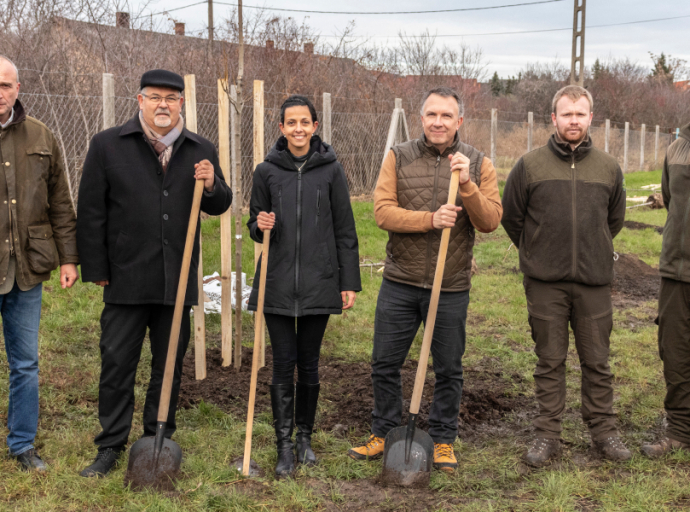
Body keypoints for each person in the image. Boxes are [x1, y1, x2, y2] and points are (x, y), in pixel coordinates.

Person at [76, 69, 232, 477]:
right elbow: (91, 211)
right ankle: (110, 445)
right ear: (140, 100)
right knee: (116, 363)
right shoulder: (108, 145)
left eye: (171, 97)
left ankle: (156, 437)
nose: (163, 104)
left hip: (175, 282)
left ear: (182, 103)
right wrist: (97, 268)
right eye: (154, 96)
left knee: (168, 366)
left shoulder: (200, 148)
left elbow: (220, 204)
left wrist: (213, 183)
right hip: (125, 277)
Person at [347, 87, 502, 473]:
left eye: (446, 116)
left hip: (449, 287)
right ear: (421, 118)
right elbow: (382, 213)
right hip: (401, 281)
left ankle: (444, 439)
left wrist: (466, 185)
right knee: (385, 362)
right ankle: (383, 431)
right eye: (431, 114)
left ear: (459, 121)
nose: (438, 122)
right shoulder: (398, 157)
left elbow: (490, 222)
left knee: (449, 367)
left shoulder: (479, 164)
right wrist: (429, 220)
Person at [501, 85, 629, 467]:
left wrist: (592, 247)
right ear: (553, 118)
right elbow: (512, 217)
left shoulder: (608, 167)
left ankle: (604, 432)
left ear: (591, 118)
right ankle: (546, 434)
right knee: (549, 361)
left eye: (580, 114)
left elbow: (615, 220)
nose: (573, 120)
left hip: (593, 282)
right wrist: (538, 249)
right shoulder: (530, 165)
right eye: (566, 113)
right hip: (545, 283)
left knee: (597, 361)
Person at [247, 95, 361, 478]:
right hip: (276, 282)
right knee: (283, 363)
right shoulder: (266, 171)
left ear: (315, 127)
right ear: (281, 128)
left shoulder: (331, 170)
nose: (298, 128)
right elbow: (253, 224)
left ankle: (304, 439)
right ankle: (282, 445)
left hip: (318, 281)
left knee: (309, 364)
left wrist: (348, 281)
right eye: (290, 122)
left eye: (304, 122)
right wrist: (259, 225)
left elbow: (345, 229)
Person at [0, 55, 79, 471]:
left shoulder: (42, 136)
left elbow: (62, 204)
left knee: (25, 363)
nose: (0, 93)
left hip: (27, 270)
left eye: (6, 85)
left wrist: (69, 258)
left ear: (18, 89)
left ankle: (22, 444)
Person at [642, 121, 690, 458]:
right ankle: (680, 431)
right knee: (674, 350)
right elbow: (671, 198)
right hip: (678, 268)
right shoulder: (677, 148)